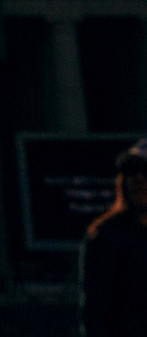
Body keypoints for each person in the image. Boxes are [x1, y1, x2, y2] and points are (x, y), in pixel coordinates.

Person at [84, 142, 147, 337]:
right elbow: (95, 312)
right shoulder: (108, 236)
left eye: (146, 171)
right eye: (130, 171)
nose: (137, 179)